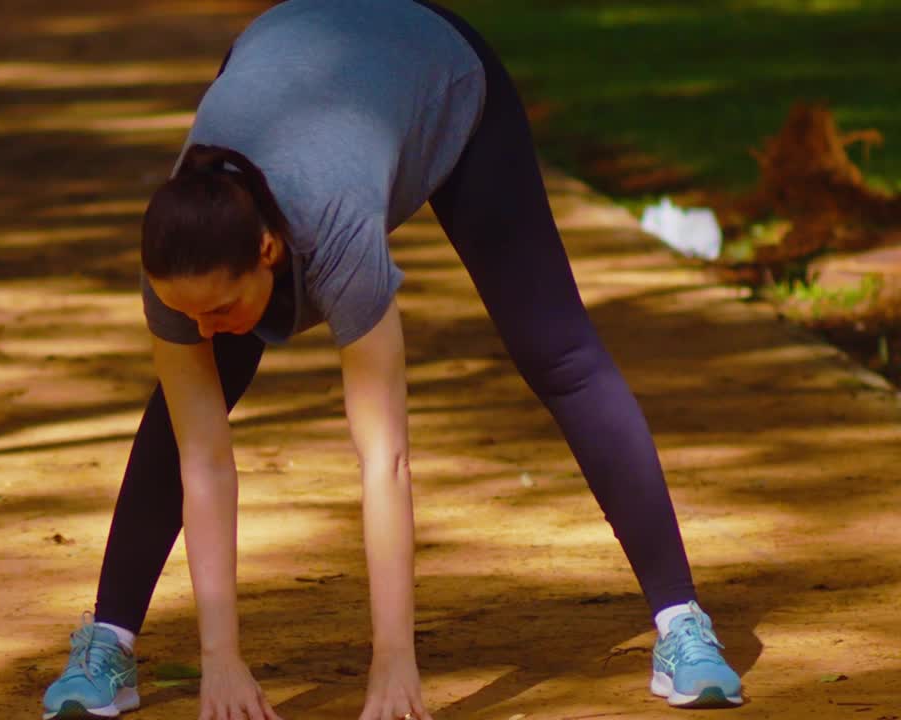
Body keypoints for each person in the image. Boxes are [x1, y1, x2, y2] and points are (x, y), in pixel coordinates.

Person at [42, 1, 744, 718]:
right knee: (190, 403)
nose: (203, 327)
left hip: (437, 72)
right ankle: (108, 643)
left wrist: (395, 665)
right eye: (188, 312)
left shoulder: (336, 229)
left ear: (268, 251)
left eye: (220, 310)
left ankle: (682, 624)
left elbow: (386, 458)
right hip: (289, 54)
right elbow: (204, 460)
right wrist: (219, 661)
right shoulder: (180, 256)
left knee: (557, 351)